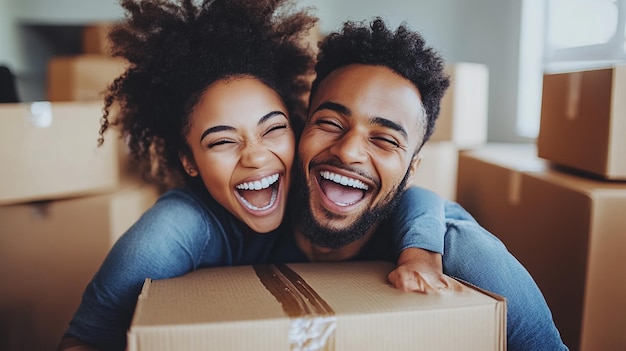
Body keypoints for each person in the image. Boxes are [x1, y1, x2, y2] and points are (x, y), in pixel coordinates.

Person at [57, 1, 450, 350]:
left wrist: (421, 249)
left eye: (273, 129)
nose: (257, 157)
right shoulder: (179, 226)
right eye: (222, 141)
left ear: (297, 128)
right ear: (189, 160)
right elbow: (83, 339)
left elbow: (421, 201)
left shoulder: (339, 190)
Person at [270, 18, 569, 351]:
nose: (349, 151)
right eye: (329, 122)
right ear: (301, 129)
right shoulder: (255, 221)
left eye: (385, 139)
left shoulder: (469, 260)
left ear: (412, 170)